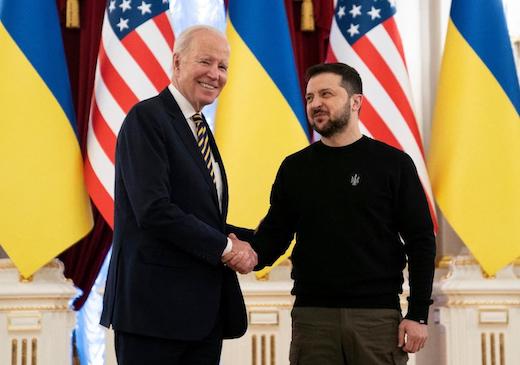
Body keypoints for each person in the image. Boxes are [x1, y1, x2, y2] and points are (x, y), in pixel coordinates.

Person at [250, 63, 436, 365]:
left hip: (377, 319)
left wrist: (418, 314)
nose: (315, 104)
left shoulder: (394, 164)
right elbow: (275, 235)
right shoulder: (295, 168)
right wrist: (239, 250)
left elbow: (421, 242)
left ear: (355, 101)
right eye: (310, 98)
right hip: (312, 320)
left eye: (326, 94)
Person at [100, 25, 257, 365]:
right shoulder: (147, 118)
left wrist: (261, 240)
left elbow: (201, 217)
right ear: (177, 62)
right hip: (154, 316)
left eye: (223, 66)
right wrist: (229, 249)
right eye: (206, 61)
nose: (215, 74)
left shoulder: (198, 127)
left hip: (200, 318)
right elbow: (155, 210)